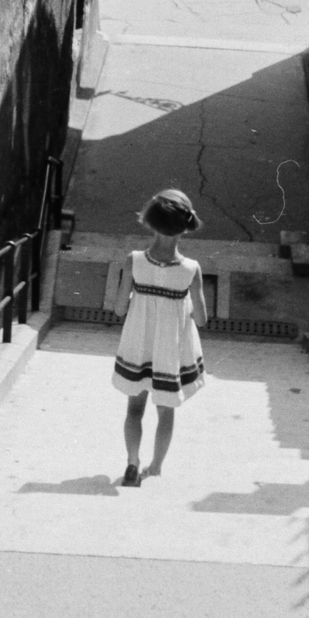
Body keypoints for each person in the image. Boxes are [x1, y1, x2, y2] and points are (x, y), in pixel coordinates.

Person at [111, 189, 207, 486]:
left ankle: (131, 460)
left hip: (138, 346)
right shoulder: (191, 269)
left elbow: (118, 309)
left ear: (150, 224)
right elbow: (202, 319)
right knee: (166, 412)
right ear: (186, 228)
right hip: (170, 351)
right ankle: (155, 465)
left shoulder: (134, 260)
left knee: (134, 409)